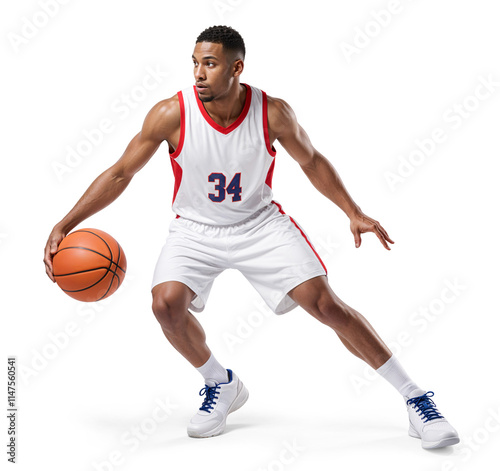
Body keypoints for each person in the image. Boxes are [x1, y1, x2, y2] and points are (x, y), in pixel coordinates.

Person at [44, 25, 459, 448]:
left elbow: (312, 161)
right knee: (165, 305)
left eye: (210, 63)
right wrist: (66, 223)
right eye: (194, 63)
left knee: (326, 305)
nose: (198, 73)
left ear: (236, 67)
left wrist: (353, 212)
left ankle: (416, 399)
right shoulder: (172, 113)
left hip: (259, 224)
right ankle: (221, 384)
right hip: (195, 229)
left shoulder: (272, 112)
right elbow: (120, 172)